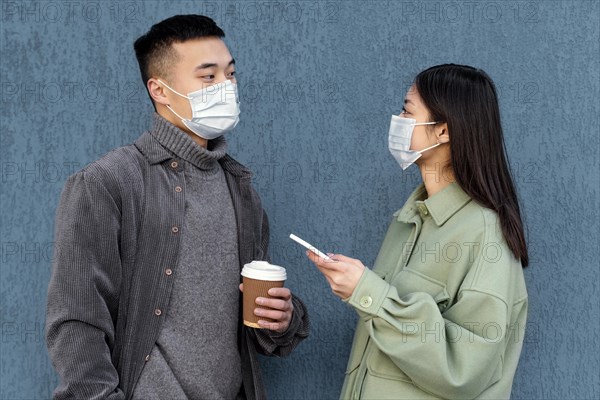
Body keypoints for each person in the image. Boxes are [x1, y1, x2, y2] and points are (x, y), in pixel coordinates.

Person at [45, 14, 309, 400]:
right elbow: (75, 320)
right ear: (160, 89)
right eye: (208, 77)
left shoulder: (241, 189)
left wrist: (283, 320)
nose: (226, 87)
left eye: (230, 74)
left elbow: (253, 325)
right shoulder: (106, 183)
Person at [308, 64, 528, 399]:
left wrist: (368, 293)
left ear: (443, 131)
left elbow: (465, 370)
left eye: (406, 110)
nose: (397, 120)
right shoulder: (407, 219)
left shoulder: (486, 234)